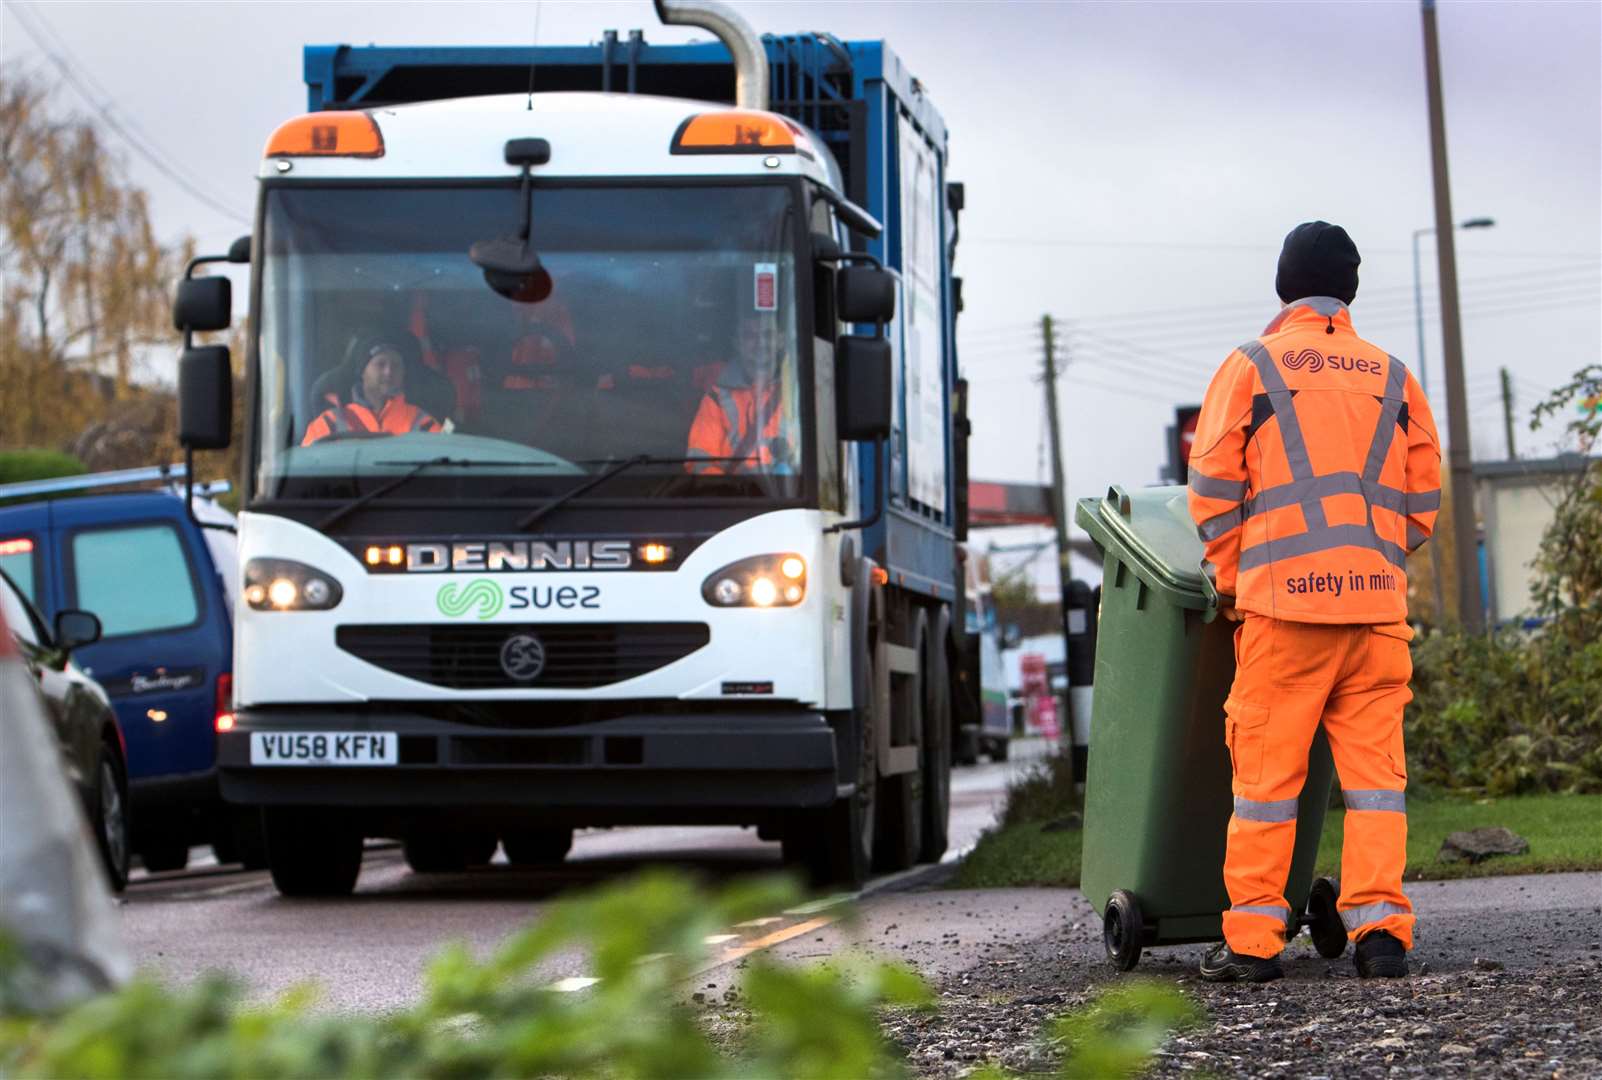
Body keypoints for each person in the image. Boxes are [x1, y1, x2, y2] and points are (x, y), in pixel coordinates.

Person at [1186, 221, 1442, 983]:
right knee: (1375, 787)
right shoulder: (1394, 376)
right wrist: (1374, 560)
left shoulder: (1252, 366)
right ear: (1352, 288)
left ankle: (1255, 944)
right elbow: (1423, 499)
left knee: (1267, 785)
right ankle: (1381, 937)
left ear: (1283, 285)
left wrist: (1238, 576)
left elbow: (1211, 486)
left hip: (1283, 617)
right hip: (1375, 617)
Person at [685, 308, 797, 475]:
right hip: (735, 497)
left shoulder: (800, 391)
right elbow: (699, 461)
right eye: (750, 336)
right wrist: (727, 491)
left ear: (780, 340)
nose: (760, 343)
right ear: (737, 343)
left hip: (793, 498)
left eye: (767, 335)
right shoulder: (717, 397)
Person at [302, 337, 443, 445]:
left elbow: (443, 470)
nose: (388, 372)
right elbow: (307, 472)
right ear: (363, 371)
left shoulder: (423, 424)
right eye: (380, 364)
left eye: (396, 365)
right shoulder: (330, 423)